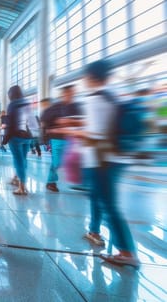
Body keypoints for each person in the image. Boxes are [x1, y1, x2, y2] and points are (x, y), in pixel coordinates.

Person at [55, 60, 139, 267]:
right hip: (116, 157)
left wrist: (68, 131)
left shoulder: (94, 99)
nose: (84, 81)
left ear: (91, 77)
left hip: (101, 160)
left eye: (85, 77)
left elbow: (94, 134)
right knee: (101, 199)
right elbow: (103, 125)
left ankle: (127, 252)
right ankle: (96, 231)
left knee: (109, 205)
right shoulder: (112, 94)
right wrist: (76, 123)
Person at [40, 85, 81, 192]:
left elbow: (81, 121)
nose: (71, 95)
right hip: (57, 139)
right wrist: (51, 128)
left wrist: (70, 123)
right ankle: (51, 182)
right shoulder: (55, 107)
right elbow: (44, 120)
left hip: (71, 139)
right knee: (57, 162)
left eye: (72, 93)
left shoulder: (75, 107)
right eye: (68, 93)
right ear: (63, 94)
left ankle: (80, 182)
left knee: (74, 161)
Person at [3, 85, 36, 195]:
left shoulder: (12, 105)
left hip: (16, 137)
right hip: (27, 137)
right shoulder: (27, 103)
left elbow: (9, 123)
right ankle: (16, 178)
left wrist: (5, 138)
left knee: (18, 160)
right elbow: (32, 121)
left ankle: (22, 187)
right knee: (23, 159)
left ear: (11, 95)